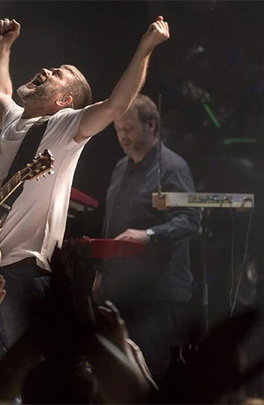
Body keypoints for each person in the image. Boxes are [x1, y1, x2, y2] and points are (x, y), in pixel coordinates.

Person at [0, 16, 171, 384]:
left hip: (23, 273)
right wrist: (1, 48)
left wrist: (146, 48)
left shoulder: (65, 125)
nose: (47, 70)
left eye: (59, 74)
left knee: (35, 381)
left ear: (64, 100)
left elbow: (115, 105)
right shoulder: (15, 121)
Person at [97, 94, 201, 378]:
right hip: (120, 294)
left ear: (152, 125)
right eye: (118, 129)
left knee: (153, 375)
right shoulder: (121, 168)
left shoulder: (172, 167)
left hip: (156, 297)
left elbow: (191, 219)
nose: (122, 136)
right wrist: (101, 273)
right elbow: (111, 223)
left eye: (129, 128)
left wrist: (150, 234)